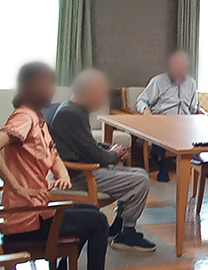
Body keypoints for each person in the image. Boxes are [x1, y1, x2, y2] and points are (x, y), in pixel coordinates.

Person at [0, 62, 121, 270]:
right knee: (98, 222)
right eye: (46, 85)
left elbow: (52, 152)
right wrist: (17, 187)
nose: (52, 90)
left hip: (37, 211)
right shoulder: (24, 118)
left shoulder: (38, 117)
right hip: (26, 220)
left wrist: (61, 172)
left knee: (90, 212)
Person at [46, 69, 157, 253]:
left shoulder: (73, 109)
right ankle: (127, 233)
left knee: (139, 174)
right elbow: (94, 155)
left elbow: (86, 144)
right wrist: (114, 154)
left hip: (83, 169)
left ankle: (117, 228)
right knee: (140, 180)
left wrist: (109, 148)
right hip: (80, 175)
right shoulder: (71, 114)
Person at [137, 50, 201, 182]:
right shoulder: (158, 81)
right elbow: (141, 100)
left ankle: (206, 166)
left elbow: (193, 108)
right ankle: (162, 165)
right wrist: (146, 110)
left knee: (203, 132)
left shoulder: (191, 83)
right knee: (160, 132)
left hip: (185, 123)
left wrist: (201, 112)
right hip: (163, 121)